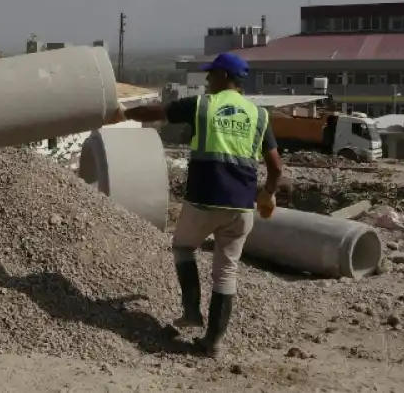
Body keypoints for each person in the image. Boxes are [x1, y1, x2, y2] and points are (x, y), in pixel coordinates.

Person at [112, 52, 283, 358]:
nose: (207, 80)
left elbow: (158, 111)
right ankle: (213, 342)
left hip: (205, 199)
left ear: (223, 76)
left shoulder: (203, 105)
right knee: (226, 273)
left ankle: (191, 312)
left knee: (182, 247)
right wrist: (268, 193)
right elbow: (276, 168)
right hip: (242, 207)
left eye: (211, 74)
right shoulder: (259, 115)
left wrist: (125, 113)